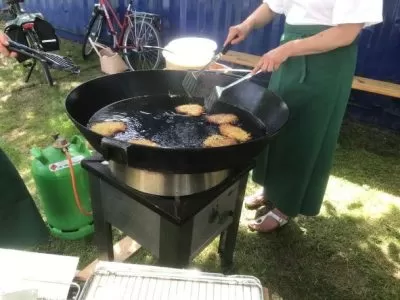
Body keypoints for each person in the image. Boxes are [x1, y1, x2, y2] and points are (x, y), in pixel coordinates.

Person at [224, 0, 383, 233]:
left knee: (307, 131)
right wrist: (246, 25)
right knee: (279, 123)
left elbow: (346, 33)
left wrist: (287, 49)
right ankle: (273, 190)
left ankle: (286, 206)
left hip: (326, 61)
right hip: (290, 54)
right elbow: (273, 5)